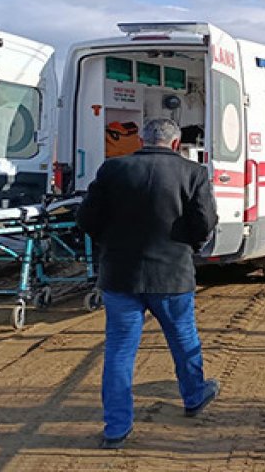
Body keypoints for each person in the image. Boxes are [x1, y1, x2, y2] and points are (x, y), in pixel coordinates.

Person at [78, 117, 221, 449]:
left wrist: (109, 243)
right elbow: (205, 222)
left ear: (141, 141)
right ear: (175, 144)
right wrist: (187, 245)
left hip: (120, 277)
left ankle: (116, 428)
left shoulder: (112, 169)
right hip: (172, 276)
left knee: (118, 351)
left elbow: (86, 218)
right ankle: (194, 396)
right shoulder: (193, 173)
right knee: (184, 340)